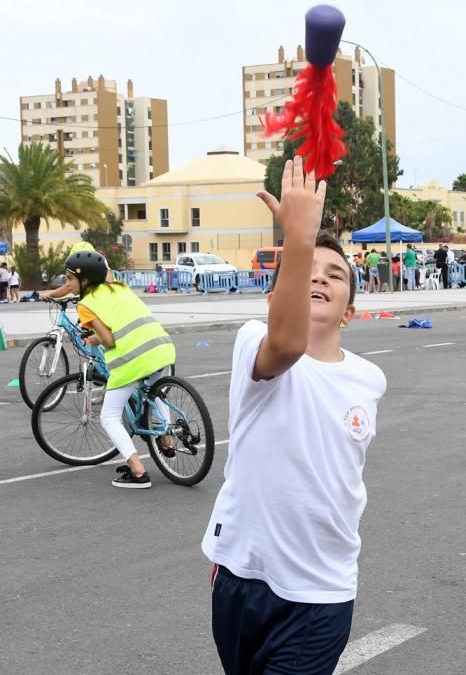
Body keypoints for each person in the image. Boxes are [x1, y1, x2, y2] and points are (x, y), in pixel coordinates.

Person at [202, 157, 387, 675]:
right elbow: (286, 342)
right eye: (307, 271)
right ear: (279, 291)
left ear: (350, 308)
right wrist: (297, 239)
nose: (319, 279)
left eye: (336, 275)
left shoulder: (369, 379)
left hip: (320, 590)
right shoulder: (253, 344)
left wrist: (305, 240)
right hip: (240, 574)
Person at [64, 250, 176, 488]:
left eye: (70, 279)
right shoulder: (120, 288)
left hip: (132, 359)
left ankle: (137, 471)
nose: (67, 284)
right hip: (161, 347)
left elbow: (110, 340)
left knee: (109, 417)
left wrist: (93, 338)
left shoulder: (85, 304)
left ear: (85, 281)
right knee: (156, 393)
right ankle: (167, 438)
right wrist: (96, 338)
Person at [42, 241, 113, 300]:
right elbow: (68, 287)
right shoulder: (99, 267)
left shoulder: (104, 271)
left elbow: (67, 288)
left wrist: (48, 294)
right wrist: (48, 294)